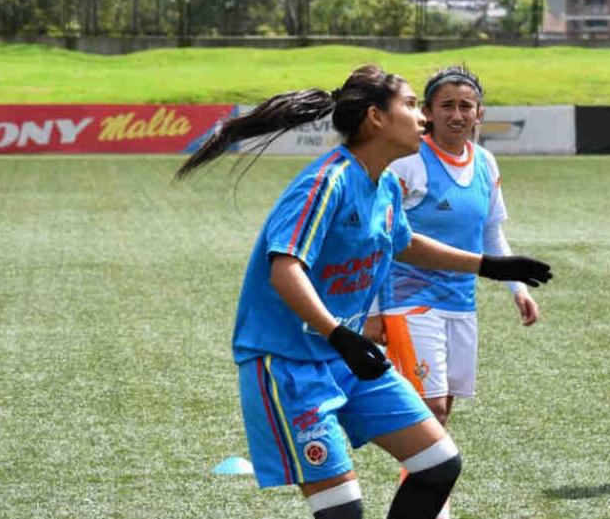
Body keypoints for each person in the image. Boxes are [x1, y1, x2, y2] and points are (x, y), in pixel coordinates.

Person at [176, 65, 552, 519]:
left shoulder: (386, 183)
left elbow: (404, 243)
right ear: (376, 117)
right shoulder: (326, 181)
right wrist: (339, 334)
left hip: (346, 360)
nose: (423, 117)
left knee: (438, 464)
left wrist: (490, 265)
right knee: (344, 513)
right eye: (410, 105)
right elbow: (285, 270)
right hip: (290, 365)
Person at [364, 66, 538, 519]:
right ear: (427, 112)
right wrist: (374, 309)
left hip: (461, 304)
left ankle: (426, 502)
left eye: (466, 106)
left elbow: (491, 234)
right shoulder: (409, 163)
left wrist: (517, 287)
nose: (457, 114)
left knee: (443, 410)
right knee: (430, 410)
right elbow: (380, 239)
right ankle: (431, 511)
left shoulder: (486, 164)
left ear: (480, 113)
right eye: (446, 106)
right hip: (408, 301)